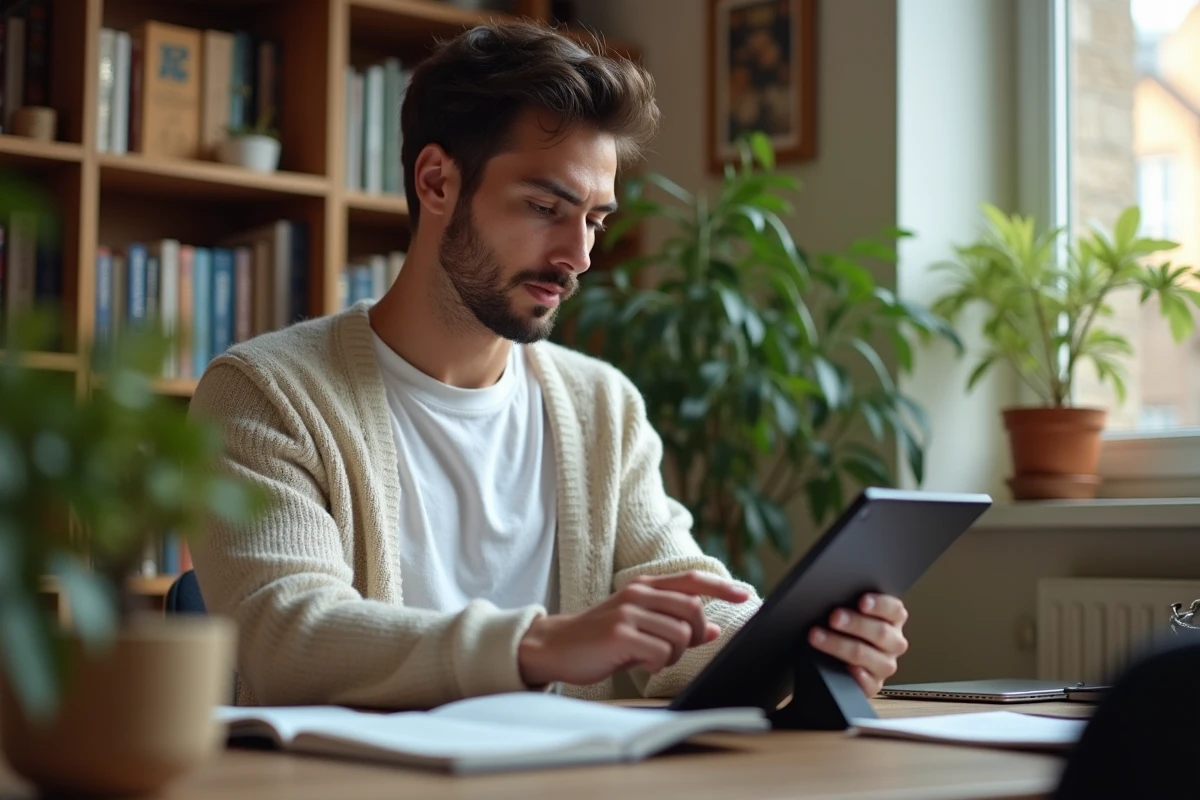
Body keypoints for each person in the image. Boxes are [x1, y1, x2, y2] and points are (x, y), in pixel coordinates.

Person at [189, 21, 910, 709]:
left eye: (595, 219)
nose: (580, 256)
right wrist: (539, 644)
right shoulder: (264, 393)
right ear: (437, 182)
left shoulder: (602, 405)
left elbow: (683, 603)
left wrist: (800, 647)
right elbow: (286, 638)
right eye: (545, 206)